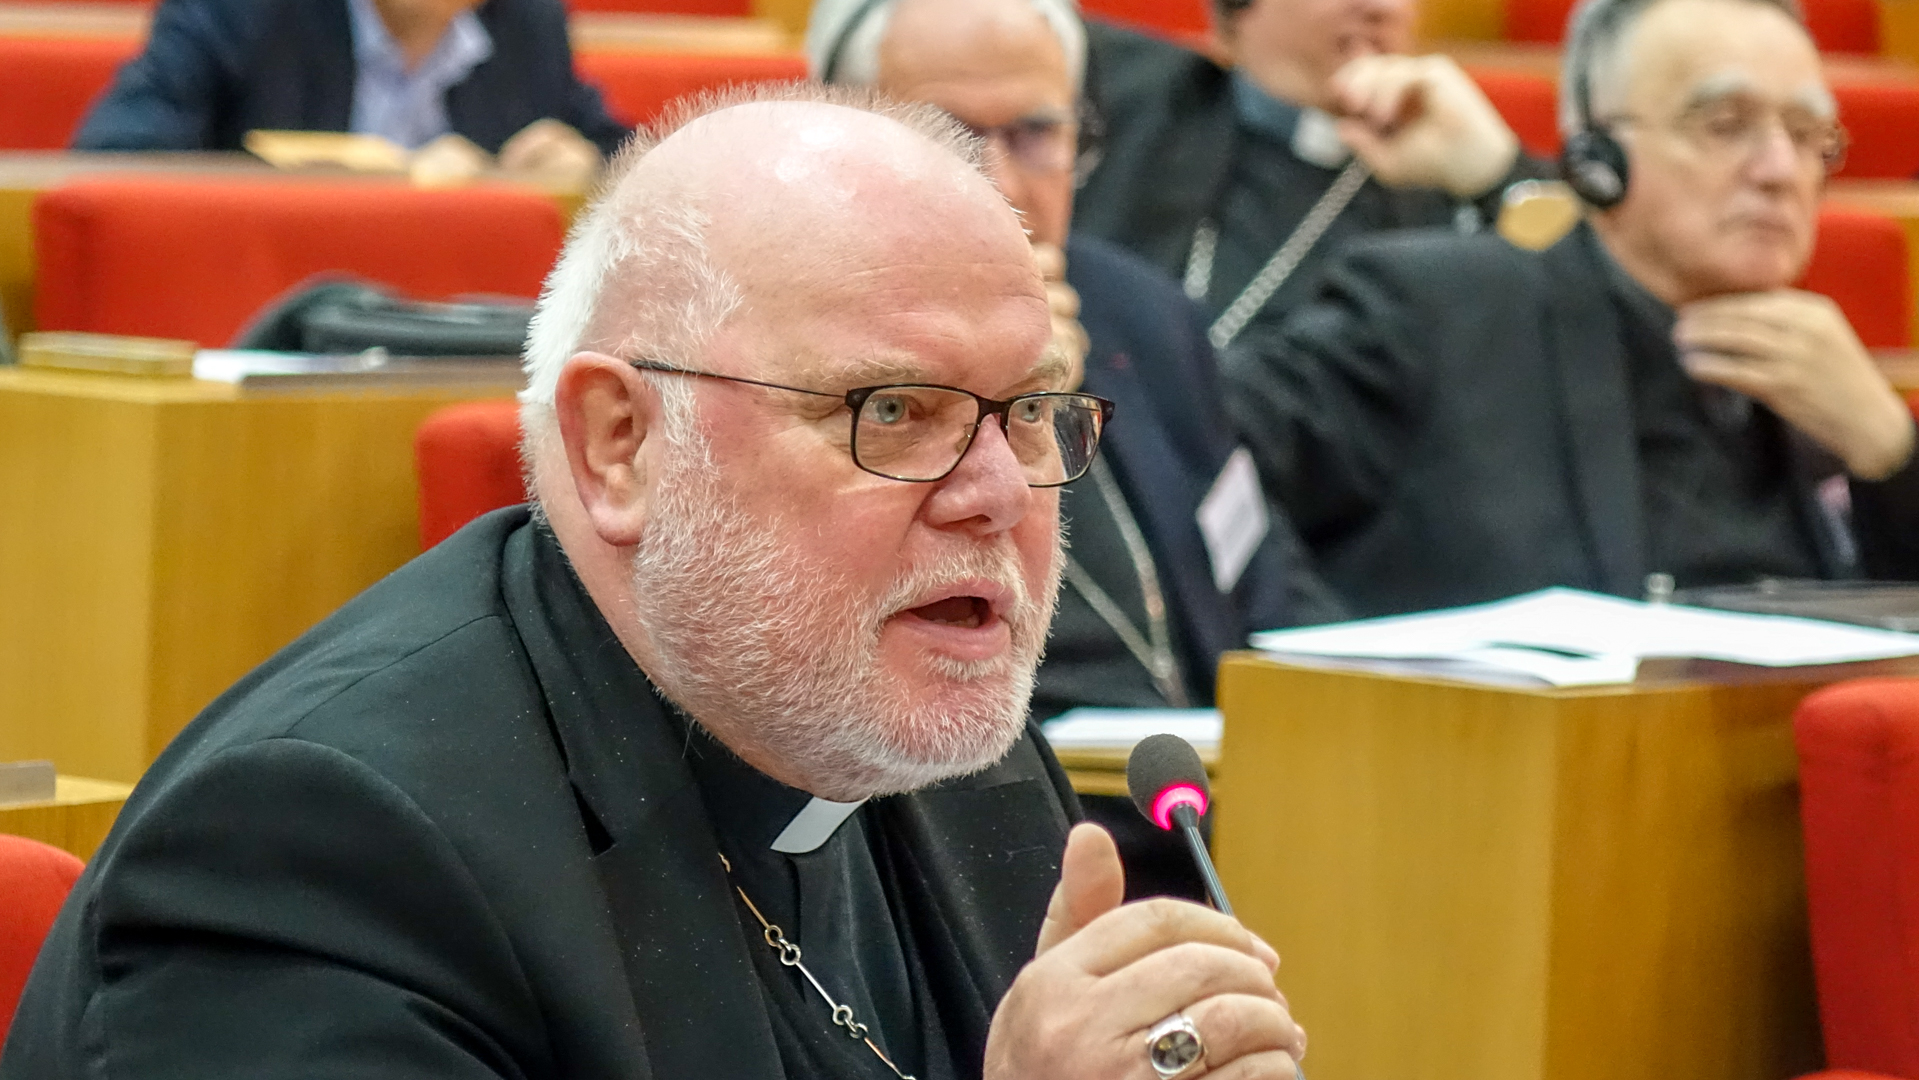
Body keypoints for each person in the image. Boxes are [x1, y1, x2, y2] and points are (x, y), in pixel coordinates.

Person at [4, 85, 1308, 1080]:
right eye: (894, 411)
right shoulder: (318, 852)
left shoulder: (959, 761)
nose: (997, 493)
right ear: (619, 446)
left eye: (1027, 412)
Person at [808, 0, 1342, 900]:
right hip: (965, 842)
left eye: (1035, 134)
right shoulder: (810, 350)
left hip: (1212, 814)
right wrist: (1012, 408)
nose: (1002, 183)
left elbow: (1259, 576)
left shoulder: (1141, 312)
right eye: (951, 135)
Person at [1221, 0, 1919, 618]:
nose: (1778, 170)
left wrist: (1893, 455)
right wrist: (1318, 663)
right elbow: (1190, 452)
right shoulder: (1440, 315)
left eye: (1807, 134)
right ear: (1594, 157)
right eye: (1724, 124)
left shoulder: (1824, 389)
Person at [1073, 0, 1547, 353]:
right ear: (1235, 13)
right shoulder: (1119, 93)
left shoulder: (1453, 174)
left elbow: (1587, 316)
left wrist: (1500, 173)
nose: (1380, 7)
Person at [73, 0, 626, 184]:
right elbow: (116, 156)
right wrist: (356, 182)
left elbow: (628, 152)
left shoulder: (524, 26)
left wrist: (588, 170)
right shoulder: (246, 10)